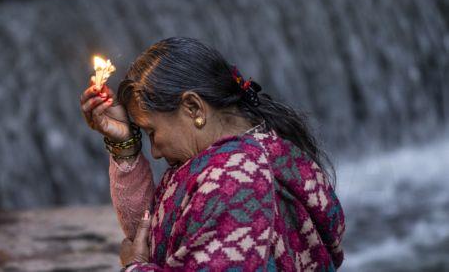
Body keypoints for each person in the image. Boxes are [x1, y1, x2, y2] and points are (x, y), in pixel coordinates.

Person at [80, 37, 345, 271]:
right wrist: (125, 143)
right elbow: (148, 233)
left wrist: (134, 268)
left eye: (151, 132)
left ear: (194, 108)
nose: (155, 152)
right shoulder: (235, 158)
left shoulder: (236, 179)